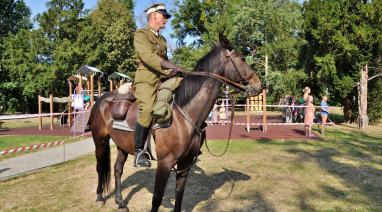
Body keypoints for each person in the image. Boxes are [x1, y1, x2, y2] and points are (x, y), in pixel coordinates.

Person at [133, 3, 186, 167]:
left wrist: (177, 70)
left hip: (162, 78)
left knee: (184, 90)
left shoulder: (161, 39)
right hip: (146, 80)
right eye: (164, 16)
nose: (166, 20)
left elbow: (166, 62)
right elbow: (148, 57)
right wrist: (169, 66)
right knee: (148, 108)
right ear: (154, 15)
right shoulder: (141, 34)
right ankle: (139, 151)